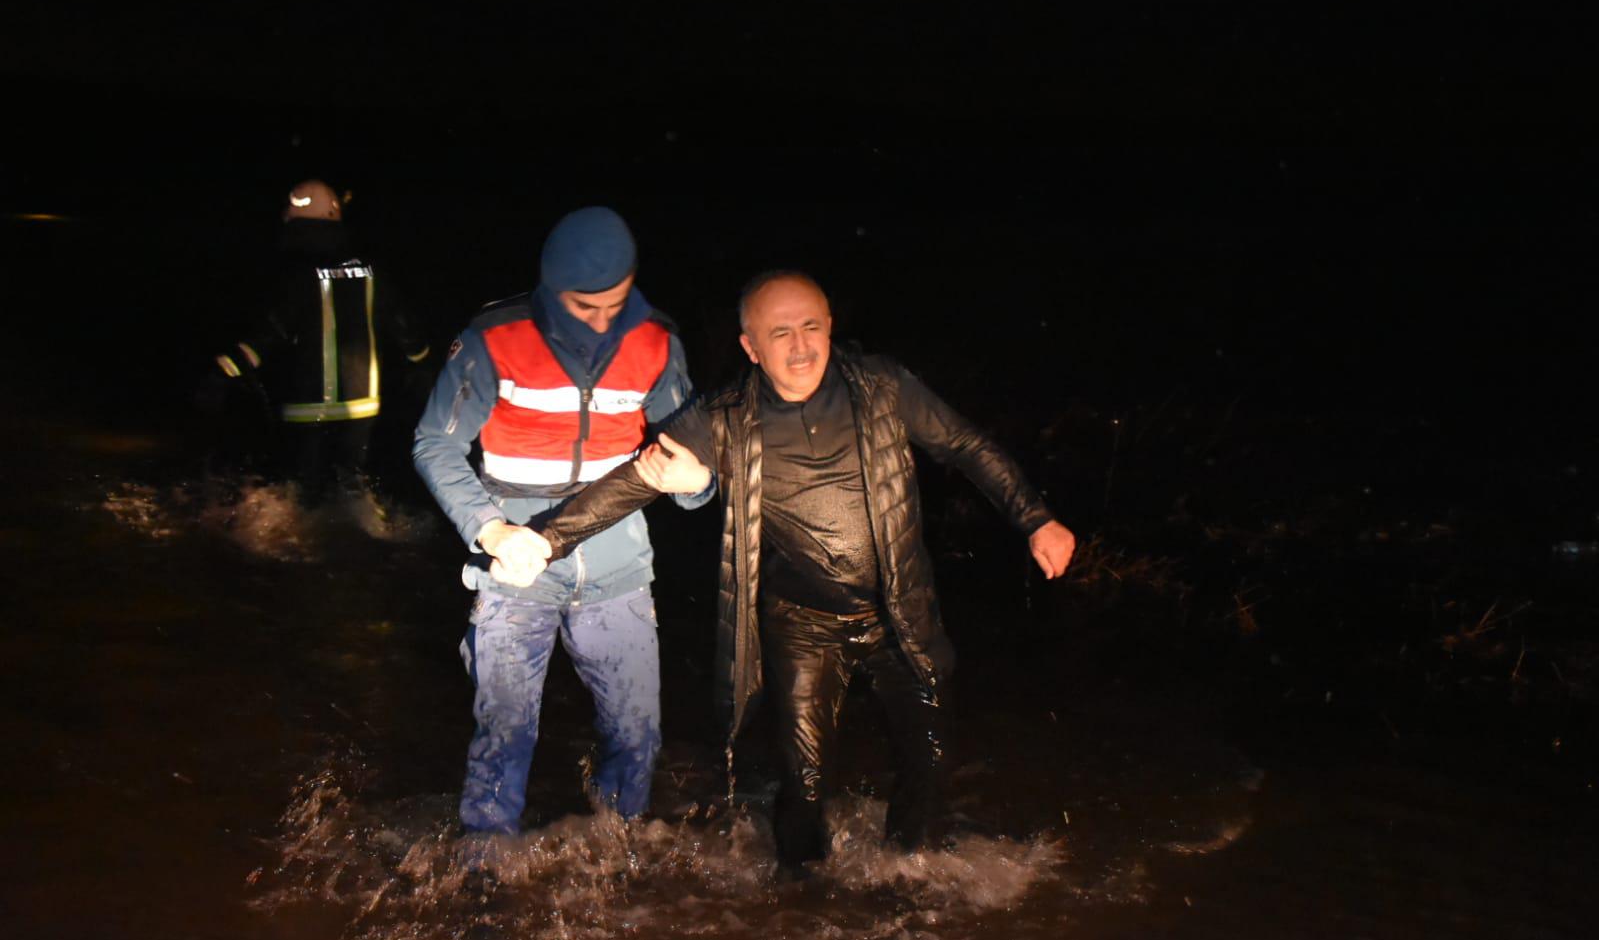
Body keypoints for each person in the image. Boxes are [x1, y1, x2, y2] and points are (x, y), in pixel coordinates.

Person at [522, 271, 1076, 869]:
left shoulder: (884, 387)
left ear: (830, 327)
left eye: (811, 327)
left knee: (932, 761)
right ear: (751, 347)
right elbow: (635, 482)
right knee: (806, 782)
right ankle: (798, 892)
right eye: (780, 333)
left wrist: (1036, 519)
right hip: (803, 627)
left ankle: (908, 878)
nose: (801, 346)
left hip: (900, 612)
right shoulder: (722, 418)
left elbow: (965, 445)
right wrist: (545, 541)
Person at [412, 206, 711, 834]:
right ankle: (484, 865)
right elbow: (435, 444)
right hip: (515, 560)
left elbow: (690, 456)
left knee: (637, 733)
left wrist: (699, 484)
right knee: (505, 734)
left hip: (619, 561)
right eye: (583, 306)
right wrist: (490, 530)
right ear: (550, 287)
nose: (602, 323)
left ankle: (618, 851)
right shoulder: (494, 338)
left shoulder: (657, 341)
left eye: (615, 305)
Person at [211, 179, 432, 503]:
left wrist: (223, 372)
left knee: (303, 494)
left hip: (304, 408)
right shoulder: (370, 272)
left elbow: (267, 337)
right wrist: (422, 366)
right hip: (361, 407)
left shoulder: (294, 276)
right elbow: (405, 327)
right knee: (354, 488)